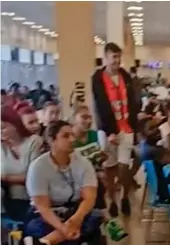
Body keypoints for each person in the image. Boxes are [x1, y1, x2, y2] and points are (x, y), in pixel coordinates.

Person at [24, 120, 103, 245]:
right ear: (51, 140)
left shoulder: (83, 163)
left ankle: (45, 242)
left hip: (75, 210)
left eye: (72, 135)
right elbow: (43, 207)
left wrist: (75, 221)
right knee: (38, 227)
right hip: (47, 214)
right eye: (66, 136)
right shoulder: (38, 167)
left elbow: (89, 198)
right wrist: (63, 228)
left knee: (95, 217)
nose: (72, 139)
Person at [91, 42, 141, 216]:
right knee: (109, 168)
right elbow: (100, 105)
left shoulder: (125, 76)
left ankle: (125, 197)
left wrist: (135, 125)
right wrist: (108, 130)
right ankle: (111, 199)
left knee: (124, 166)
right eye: (114, 57)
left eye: (119, 57)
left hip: (126, 127)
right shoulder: (97, 78)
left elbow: (134, 100)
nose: (117, 61)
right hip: (107, 130)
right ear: (106, 58)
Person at [1, 106, 43, 222]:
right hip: (7, 201)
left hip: (32, 200)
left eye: (3, 128)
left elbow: (35, 177)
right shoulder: (1, 147)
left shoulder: (34, 142)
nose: (0, 132)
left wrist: (6, 178)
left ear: (14, 124)